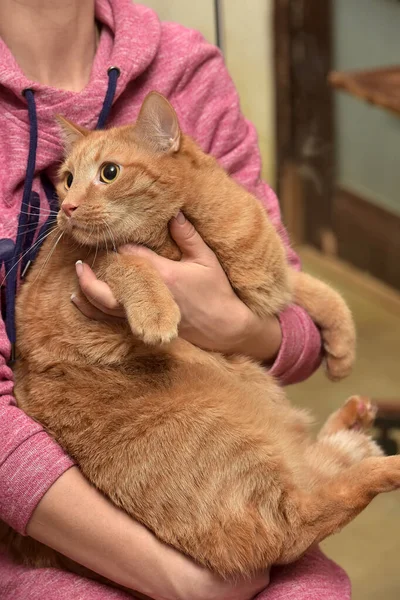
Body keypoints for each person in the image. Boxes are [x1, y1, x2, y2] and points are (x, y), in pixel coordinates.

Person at [0, 1, 351, 598]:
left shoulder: (187, 68)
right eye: (68, 180)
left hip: (208, 460)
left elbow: (298, 334)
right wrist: (177, 577)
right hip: (42, 505)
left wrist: (231, 325)